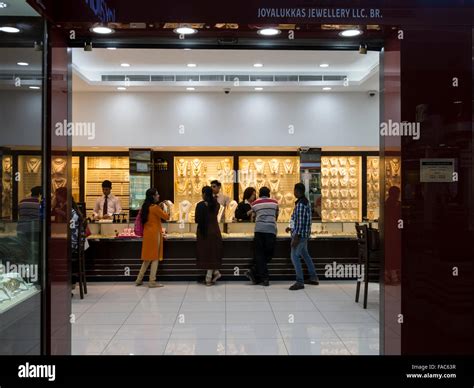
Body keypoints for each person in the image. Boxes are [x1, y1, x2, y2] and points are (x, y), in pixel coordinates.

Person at [286, 183, 319, 290]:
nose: (293, 192)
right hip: (305, 234)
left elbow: (300, 223)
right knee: (305, 255)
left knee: (294, 256)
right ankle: (313, 277)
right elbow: (303, 220)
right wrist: (291, 228)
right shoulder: (305, 202)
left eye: (294, 190)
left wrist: (296, 237)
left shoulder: (300, 204)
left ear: (297, 191)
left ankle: (300, 281)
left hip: (300, 236)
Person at [135, 188, 170, 288]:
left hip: (147, 235)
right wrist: (166, 206)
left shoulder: (145, 207)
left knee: (147, 258)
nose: (158, 196)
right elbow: (166, 217)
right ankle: (152, 281)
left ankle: (139, 279)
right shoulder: (155, 208)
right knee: (155, 258)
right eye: (157, 194)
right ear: (153, 196)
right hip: (155, 235)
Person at [245, 186, 279, 287]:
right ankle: (263, 277)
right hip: (271, 230)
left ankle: (255, 272)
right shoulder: (275, 202)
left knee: (260, 254)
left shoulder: (255, 203)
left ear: (259, 193)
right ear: (269, 193)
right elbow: (276, 216)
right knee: (269, 254)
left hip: (259, 230)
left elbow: (253, 216)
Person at [195, 186, 223, 286]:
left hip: (203, 231)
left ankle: (208, 278)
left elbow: (197, 220)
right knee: (213, 253)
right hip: (214, 230)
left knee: (206, 253)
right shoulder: (216, 205)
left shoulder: (200, 205)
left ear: (204, 194)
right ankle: (215, 273)